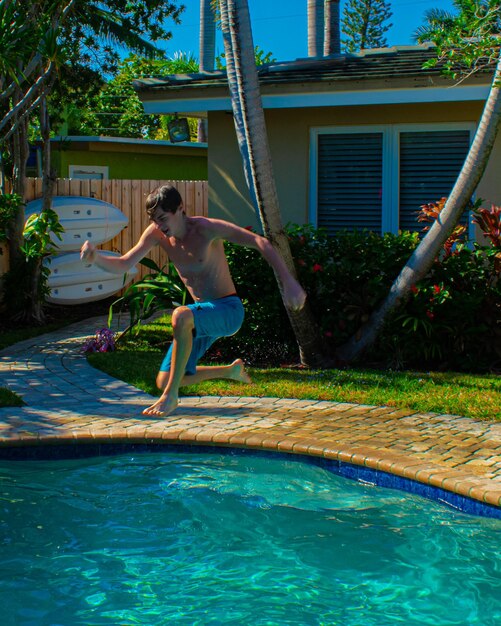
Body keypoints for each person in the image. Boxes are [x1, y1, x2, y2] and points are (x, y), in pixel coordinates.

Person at [80, 184, 306, 417]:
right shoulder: (156, 234)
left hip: (227, 310)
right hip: (200, 320)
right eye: (154, 220)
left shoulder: (206, 229)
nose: (159, 226)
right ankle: (230, 371)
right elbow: (124, 263)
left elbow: (261, 242)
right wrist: (96, 258)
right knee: (165, 378)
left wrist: (288, 281)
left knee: (181, 315)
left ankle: (170, 396)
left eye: (162, 218)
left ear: (180, 208)